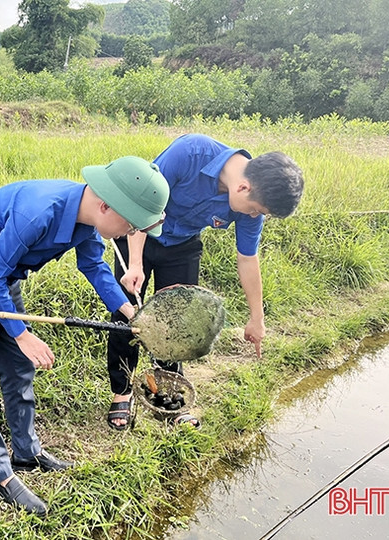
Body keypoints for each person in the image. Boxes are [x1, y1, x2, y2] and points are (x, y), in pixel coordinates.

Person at [0, 156, 169, 515]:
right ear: (107, 206)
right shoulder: (39, 211)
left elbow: (93, 266)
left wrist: (131, 313)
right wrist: (22, 334)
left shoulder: (88, 220)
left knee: (19, 371)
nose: (128, 234)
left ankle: (27, 451)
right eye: (131, 224)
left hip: (4, 280)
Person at [106, 133, 304, 430]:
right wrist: (135, 264)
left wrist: (257, 319)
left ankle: (170, 394)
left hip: (182, 244)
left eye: (258, 214)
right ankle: (121, 392)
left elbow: (248, 259)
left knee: (178, 323)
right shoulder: (190, 153)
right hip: (138, 231)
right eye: (254, 210)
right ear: (243, 186)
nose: (253, 216)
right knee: (127, 317)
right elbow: (142, 205)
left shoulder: (253, 198)